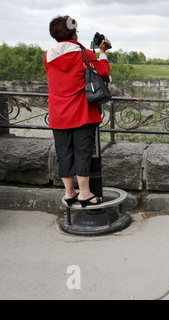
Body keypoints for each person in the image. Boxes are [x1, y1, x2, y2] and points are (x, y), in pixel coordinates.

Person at [45, 15, 111, 207]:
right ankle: (85, 193)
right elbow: (104, 72)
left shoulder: (48, 56)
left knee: (64, 153)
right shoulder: (83, 54)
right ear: (74, 33)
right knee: (82, 153)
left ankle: (69, 192)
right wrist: (103, 52)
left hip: (58, 113)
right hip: (81, 112)